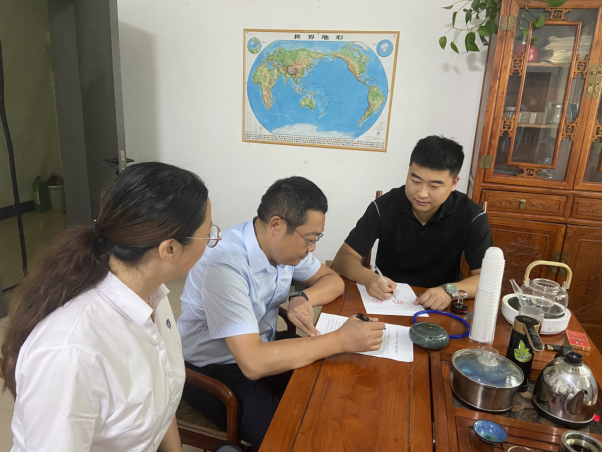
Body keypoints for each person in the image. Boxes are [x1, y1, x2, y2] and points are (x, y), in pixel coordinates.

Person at [1, 162, 215, 452]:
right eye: (208, 233)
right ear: (169, 249)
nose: (212, 240)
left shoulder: (154, 296)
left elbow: (162, 401)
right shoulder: (71, 352)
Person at [177, 176, 384, 450]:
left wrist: (303, 297)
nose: (312, 248)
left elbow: (334, 281)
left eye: (316, 239)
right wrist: (339, 340)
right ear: (276, 225)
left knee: (331, 387)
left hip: (263, 347)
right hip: (212, 369)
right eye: (309, 239)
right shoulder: (225, 265)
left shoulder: (282, 249)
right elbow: (253, 363)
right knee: (290, 435)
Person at [332, 135, 493, 311]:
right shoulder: (384, 207)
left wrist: (449, 291)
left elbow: (487, 279)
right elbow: (342, 259)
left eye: (434, 186)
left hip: (442, 306)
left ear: (454, 183)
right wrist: (368, 278)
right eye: (415, 181)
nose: (422, 193)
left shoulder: (472, 216)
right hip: (388, 301)